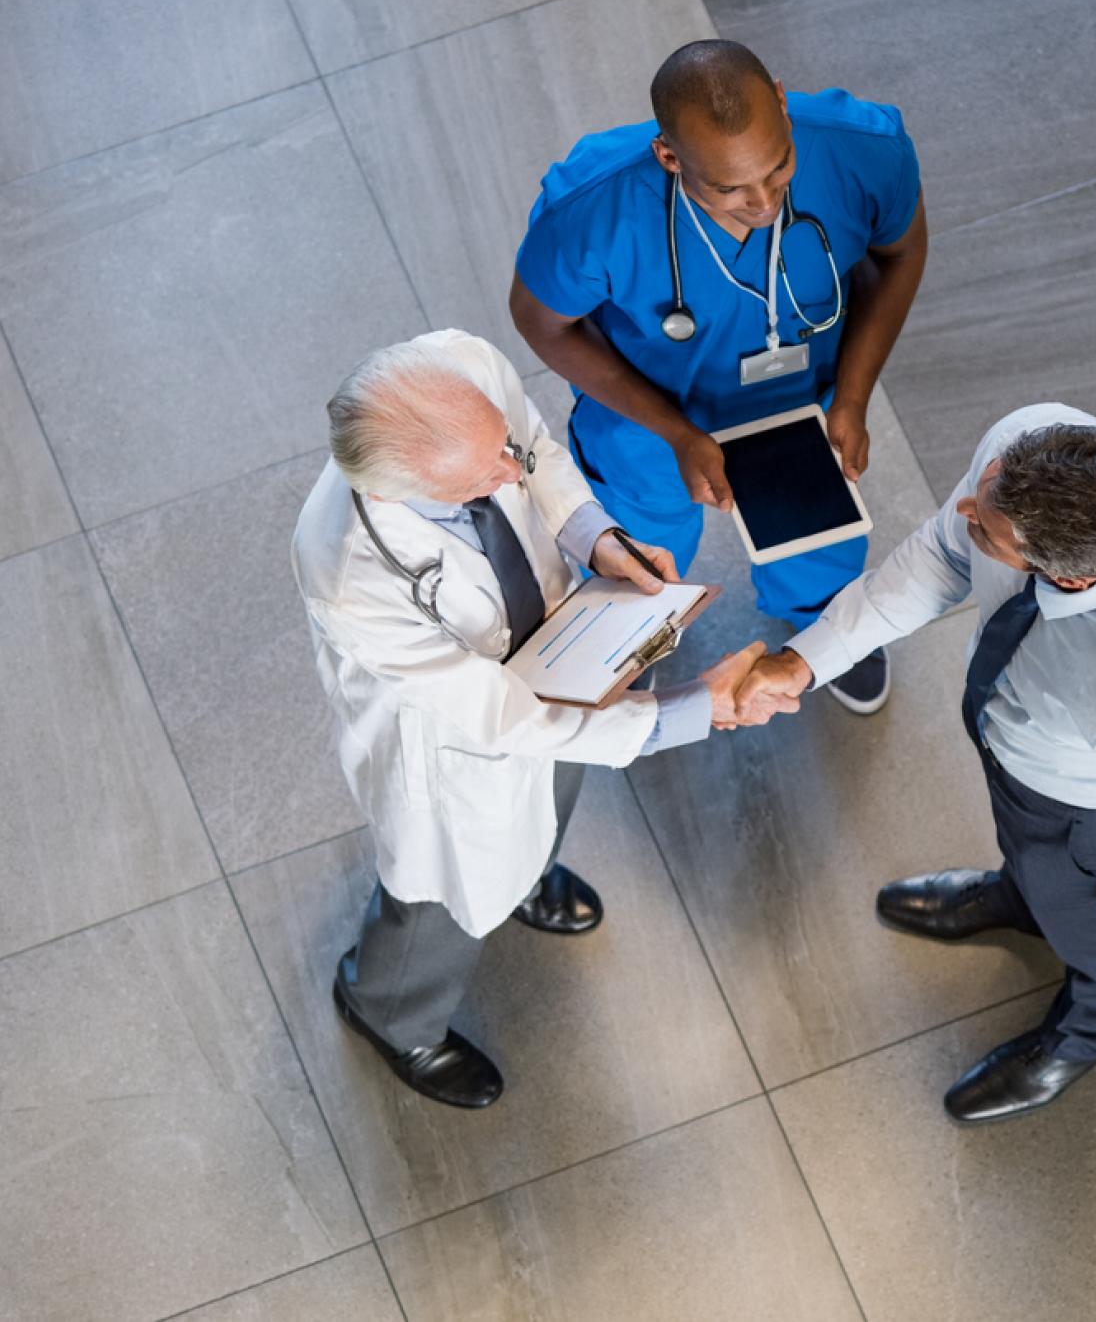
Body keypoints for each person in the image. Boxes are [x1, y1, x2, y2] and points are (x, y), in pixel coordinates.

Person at [293, 328, 795, 1110]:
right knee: (445, 888)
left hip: (558, 646)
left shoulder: (463, 368)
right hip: (458, 741)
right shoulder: (350, 574)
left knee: (553, 793)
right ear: (398, 492)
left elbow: (534, 452)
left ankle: (527, 876)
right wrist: (693, 710)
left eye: (498, 450)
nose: (506, 477)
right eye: (477, 482)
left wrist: (597, 540)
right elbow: (504, 720)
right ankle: (391, 1011)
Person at [737, 405, 1096, 1122]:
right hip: (1015, 745)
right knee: (1031, 861)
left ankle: (1092, 1033)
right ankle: (1022, 898)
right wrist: (807, 662)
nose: (963, 511)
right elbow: (941, 554)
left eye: (987, 531)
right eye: (982, 494)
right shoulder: (1035, 441)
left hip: (1087, 809)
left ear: (1069, 579)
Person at [511, 38, 927, 716]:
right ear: (670, 157)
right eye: (729, 188)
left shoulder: (865, 148)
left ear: (785, 107)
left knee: (817, 530)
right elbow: (541, 323)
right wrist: (676, 432)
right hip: (648, 417)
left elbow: (901, 252)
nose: (763, 203)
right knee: (640, 544)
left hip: (802, 397)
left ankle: (821, 624)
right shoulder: (590, 211)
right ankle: (633, 636)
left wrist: (851, 397)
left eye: (779, 167)